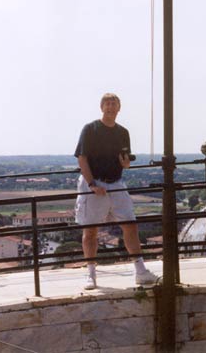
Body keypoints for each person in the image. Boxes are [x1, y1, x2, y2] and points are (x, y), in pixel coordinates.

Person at [74, 93, 159, 289]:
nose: (111, 107)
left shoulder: (123, 132)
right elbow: (82, 158)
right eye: (107, 103)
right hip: (95, 184)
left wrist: (126, 163)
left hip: (117, 183)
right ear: (101, 107)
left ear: (119, 108)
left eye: (114, 104)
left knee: (130, 225)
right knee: (90, 230)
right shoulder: (90, 129)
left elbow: (125, 161)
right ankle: (91, 274)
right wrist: (92, 184)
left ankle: (140, 271)